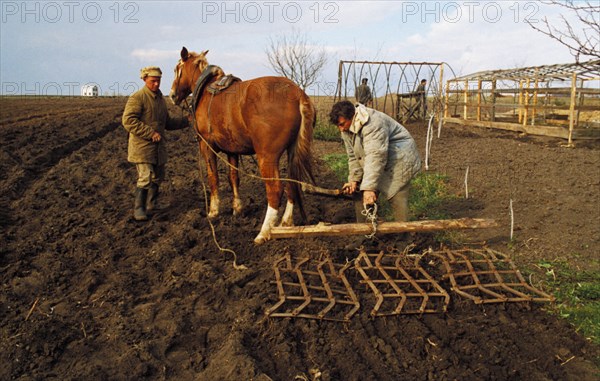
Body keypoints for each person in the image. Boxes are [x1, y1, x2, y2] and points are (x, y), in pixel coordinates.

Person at [329, 100, 421, 222]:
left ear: (352, 116)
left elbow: (376, 156)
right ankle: (366, 233)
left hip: (400, 158)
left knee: (396, 195)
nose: (340, 129)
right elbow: (354, 156)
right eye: (338, 126)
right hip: (379, 157)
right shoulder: (346, 129)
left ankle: (404, 237)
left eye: (342, 124)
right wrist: (353, 179)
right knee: (359, 191)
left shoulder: (373, 123)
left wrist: (369, 188)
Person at [122, 66, 188, 221]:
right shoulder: (138, 98)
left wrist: (186, 121)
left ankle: (152, 204)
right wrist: (150, 133)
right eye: (153, 81)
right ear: (145, 80)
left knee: (158, 177)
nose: (156, 84)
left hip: (158, 148)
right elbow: (128, 121)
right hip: (142, 148)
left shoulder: (160, 100)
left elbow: (168, 122)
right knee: (145, 177)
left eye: (158, 81)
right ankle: (139, 208)